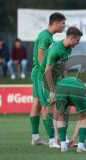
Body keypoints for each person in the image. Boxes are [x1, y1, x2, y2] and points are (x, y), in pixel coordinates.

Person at [29, 12, 66, 147]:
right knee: (46, 106)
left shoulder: (47, 36)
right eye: (62, 23)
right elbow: (40, 58)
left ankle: (35, 137)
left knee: (37, 104)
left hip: (37, 73)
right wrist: (48, 74)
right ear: (55, 23)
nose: (64, 26)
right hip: (41, 74)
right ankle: (52, 140)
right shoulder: (45, 37)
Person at [44, 26, 83, 148]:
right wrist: (52, 91)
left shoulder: (68, 49)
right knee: (52, 108)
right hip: (47, 80)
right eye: (77, 40)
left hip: (59, 80)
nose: (78, 43)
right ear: (72, 38)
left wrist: (64, 81)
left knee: (63, 108)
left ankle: (61, 138)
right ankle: (54, 140)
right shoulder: (55, 50)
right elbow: (47, 72)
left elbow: (63, 67)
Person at [54, 77, 86, 152]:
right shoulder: (81, 85)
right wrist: (74, 138)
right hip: (77, 88)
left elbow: (55, 116)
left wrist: (57, 136)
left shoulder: (60, 82)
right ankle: (80, 146)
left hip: (61, 88)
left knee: (60, 115)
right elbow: (81, 118)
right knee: (84, 116)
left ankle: (63, 145)